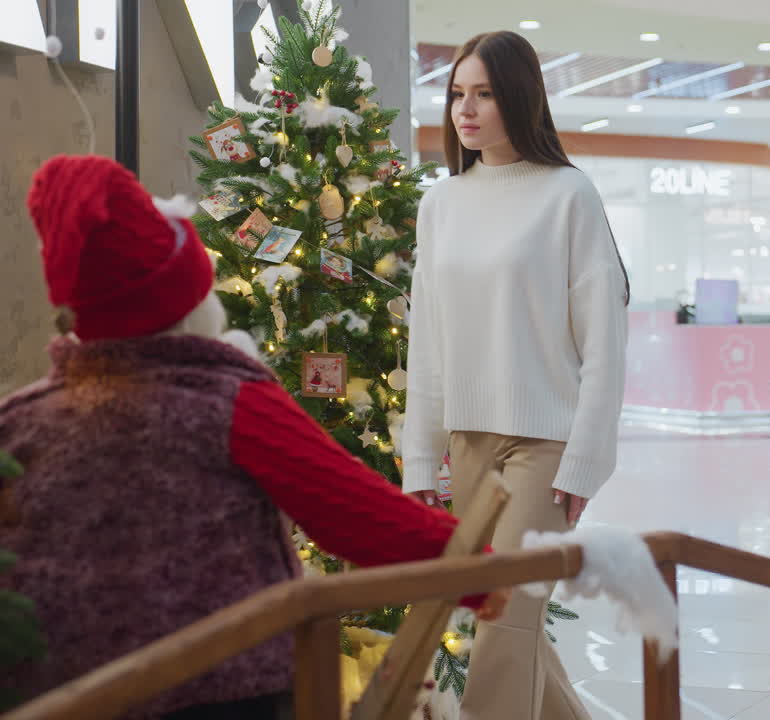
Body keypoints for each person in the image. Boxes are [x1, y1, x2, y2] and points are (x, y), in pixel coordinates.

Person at [0, 155, 507, 719]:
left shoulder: (19, 422)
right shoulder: (226, 401)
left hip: (55, 696)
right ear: (190, 298)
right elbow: (356, 512)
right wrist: (483, 572)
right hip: (227, 694)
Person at [402, 31, 629, 720]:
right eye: (456, 95)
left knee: (504, 625)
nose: (464, 110)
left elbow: (604, 342)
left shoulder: (568, 195)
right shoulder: (441, 204)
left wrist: (585, 461)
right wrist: (420, 461)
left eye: (484, 94)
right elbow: (428, 341)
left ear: (520, 98)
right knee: (512, 623)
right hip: (469, 447)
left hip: (545, 448)